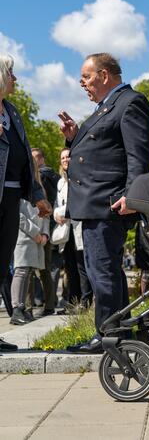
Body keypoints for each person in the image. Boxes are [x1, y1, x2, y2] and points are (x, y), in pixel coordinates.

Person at [58, 53, 149, 353]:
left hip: (107, 203)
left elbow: (138, 156)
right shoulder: (105, 108)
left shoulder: (129, 102)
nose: (81, 82)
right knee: (104, 270)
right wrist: (73, 138)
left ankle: (108, 337)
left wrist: (133, 195)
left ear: (104, 75)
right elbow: (100, 149)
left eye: (86, 76)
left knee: (102, 271)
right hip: (94, 204)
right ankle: (118, 333)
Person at [0, 54, 51, 350]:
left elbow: (24, 159)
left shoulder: (12, 112)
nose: (15, 80)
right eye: (11, 74)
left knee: (1, 264)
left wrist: (37, 195)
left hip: (10, 197)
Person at [10, 162, 50, 325]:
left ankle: (24, 309)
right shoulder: (19, 188)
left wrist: (45, 233)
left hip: (38, 238)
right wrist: (36, 233)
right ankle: (16, 308)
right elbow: (17, 216)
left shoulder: (39, 189)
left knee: (28, 273)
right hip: (25, 237)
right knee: (21, 271)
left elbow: (46, 211)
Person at [54, 147, 90, 308]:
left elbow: (77, 202)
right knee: (70, 267)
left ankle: (85, 302)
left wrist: (64, 211)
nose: (65, 160)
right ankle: (72, 301)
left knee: (82, 266)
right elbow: (57, 204)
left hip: (79, 227)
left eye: (68, 157)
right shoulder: (60, 182)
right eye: (62, 158)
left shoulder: (81, 177)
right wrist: (56, 213)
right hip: (65, 230)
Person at [31, 148, 61, 315]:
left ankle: (43, 305)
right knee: (40, 270)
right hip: (42, 231)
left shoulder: (42, 178)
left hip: (42, 232)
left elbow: (47, 208)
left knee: (41, 269)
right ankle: (43, 304)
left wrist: (44, 233)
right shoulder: (53, 176)